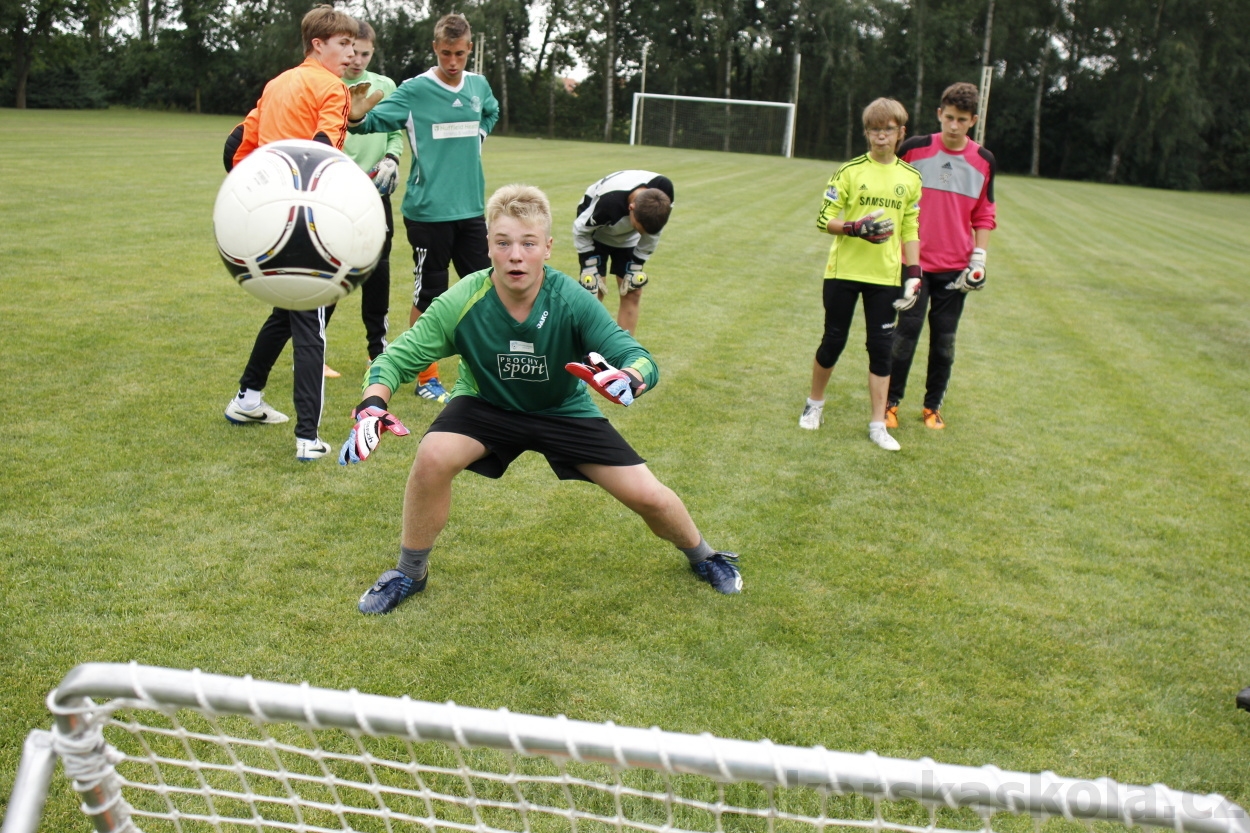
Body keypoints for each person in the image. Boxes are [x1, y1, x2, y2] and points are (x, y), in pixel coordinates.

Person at [339, 184, 743, 615]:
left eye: (528, 243)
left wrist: (628, 378)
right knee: (432, 457)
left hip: (562, 410)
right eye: (504, 242)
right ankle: (409, 572)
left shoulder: (571, 301)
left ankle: (704, 556)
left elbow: (639, 358)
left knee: (649, 496)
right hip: (485, 404)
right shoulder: (463, 299)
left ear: (547, 248)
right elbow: (397, 357)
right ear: (489, 247)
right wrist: (372, 404)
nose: (516, 255)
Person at [221, 5, 374, 461]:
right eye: (344, 44)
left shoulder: (277, 83)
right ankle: (309, 439)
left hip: (266, 215)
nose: (351, 53)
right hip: (303, 219)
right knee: (312, 319)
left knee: (287, 310)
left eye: (353, 45)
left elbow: (238, 146)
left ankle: (247, 400)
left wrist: (252, 198)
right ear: (318, 45)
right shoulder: (333, 88)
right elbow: (324, 151)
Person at [347, 13, 499, 404]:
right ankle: (426, 378)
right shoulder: (415, 91)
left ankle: (482, 372)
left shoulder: (479, 86)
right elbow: (370, 123)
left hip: (470, 210)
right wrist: (358, 112)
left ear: (469, 51)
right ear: (435, 48)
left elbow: (491, 111)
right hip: (428, 213)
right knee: (430, 296)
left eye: (460, 54)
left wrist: (479, 134)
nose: (453, 62)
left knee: (486, 292)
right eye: (446, 53)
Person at [798, 98, 922, 452]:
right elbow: (824, 219)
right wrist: (854, 228)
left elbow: (911, 227)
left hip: (885, 277)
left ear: (901, 133)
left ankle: (878, 424)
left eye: (887, 130)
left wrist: (913, 273)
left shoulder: (910, 178)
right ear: (866, 133)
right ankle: (814, 404)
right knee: (833, 339)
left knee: (881, 350)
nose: (880, 137)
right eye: (874, 130)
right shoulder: (849, 171)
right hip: (844, 273)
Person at [887, 81, 997, 430]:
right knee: (905, 335)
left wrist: (978, 259)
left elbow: (984, 214)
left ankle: (932, 406)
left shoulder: (983, 161)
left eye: (961, 120)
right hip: (913, 263)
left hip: (955, 269)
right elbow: (891, 193)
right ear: (939, 114)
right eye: (948, 117)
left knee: (945, 342)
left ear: (973, 121)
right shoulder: (914, 149)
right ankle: (890, 402)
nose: (953, 126)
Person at [341, 21, 404, 366]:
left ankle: (376, 352)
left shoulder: (385, 85)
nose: (357, 60)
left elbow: (395, 132)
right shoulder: (330, 84)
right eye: (352, 52)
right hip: (335, 194)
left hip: (376, 191)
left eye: (365, 53)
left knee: (378, 270)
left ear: (372, 52)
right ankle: (312, 349)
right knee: (329, 266)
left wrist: (392, 158)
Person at [571, 171, 674, 335]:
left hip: (628, 240)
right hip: (596, 233)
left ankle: (624, 352)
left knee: (633, 291)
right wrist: (588, 265)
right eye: (640, 229)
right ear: (630, 208)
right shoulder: (608, 203)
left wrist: (637, 264)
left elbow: (652, 233)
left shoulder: (663, 192)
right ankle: (586, 351)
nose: (645, 234)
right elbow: (580, 229)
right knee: (593, 292)